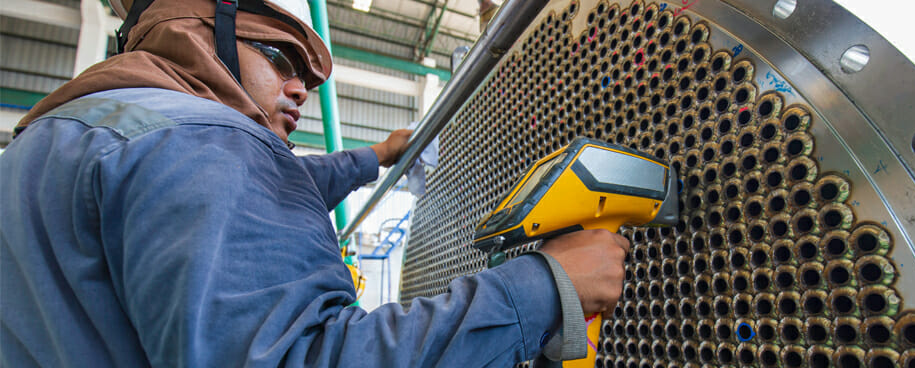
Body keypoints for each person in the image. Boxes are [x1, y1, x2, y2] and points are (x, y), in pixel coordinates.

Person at [0, 0, 630, 366]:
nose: (302, 87)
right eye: (281, 59)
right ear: (197, 32)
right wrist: (545, 286)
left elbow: (273, 186)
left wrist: (378, 155)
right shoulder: (206, 141)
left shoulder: (57, 142)